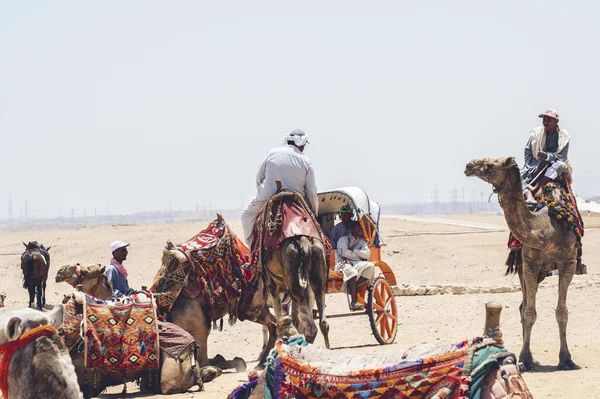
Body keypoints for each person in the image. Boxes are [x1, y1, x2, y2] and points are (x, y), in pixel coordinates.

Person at [241, 129, 318, 245]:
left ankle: (252, 248)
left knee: (246, 216)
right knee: (316, 228)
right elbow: (312, 190)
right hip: (296, 200)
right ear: (302, 144)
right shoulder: (306, 160)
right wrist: (314, 211)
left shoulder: (272, 153)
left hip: (268, 196)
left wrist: (263, 192)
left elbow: (259, 178)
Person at [521, 109, 571, 204]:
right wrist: (531, 166)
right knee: (517, 175)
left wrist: (547, 156)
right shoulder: (536, 134)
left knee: (561, 165)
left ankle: (534, 189)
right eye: (544, 119)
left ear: (556, 122)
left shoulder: (564, 137)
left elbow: (562, 158)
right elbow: (528, 150)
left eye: (549, 119)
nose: (545, 122)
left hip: (553, 166)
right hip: (535, 164)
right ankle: (528, 195)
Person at [335, 221, 375, 311]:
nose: (360, 230)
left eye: (361, 228)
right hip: (343, 263)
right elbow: (344, 253)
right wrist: (358, 254)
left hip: (356, 263)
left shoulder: (361, 241)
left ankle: (354, 287)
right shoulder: (343, 240)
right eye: (358, 228)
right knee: (352, 272)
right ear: (353, 229)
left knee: (370, 266)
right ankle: (354, 302)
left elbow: (367, 254)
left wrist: (354, 250)